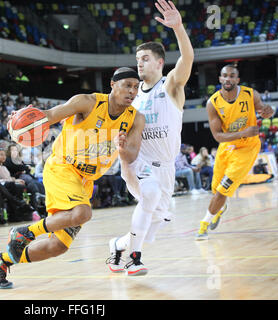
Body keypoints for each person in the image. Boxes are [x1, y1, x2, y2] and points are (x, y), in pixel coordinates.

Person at [0, 66, 144, 289]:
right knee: (83, 213)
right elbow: (49, 116)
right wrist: (26, 119)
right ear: (112, 85)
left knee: (57, 246)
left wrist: (122, 147)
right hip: (63, 167)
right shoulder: (87, 102)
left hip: (85, 181)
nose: (132, 91)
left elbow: (131, 154)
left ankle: (1, 260)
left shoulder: (136, 118)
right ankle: (24, 232)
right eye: (127, 85)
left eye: (136, 87)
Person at [106, 0, 194, 276]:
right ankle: (134, 257)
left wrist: (178, 28)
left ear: (159, 62)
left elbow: (188, 59)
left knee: (158, 222)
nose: (139, 64)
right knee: (151, 194)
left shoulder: (170, 86)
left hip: (166, 167)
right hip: (137, 163)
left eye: (144, 59)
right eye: (137, 60)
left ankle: (119, 246)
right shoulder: (132, 96)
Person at [195, 64, 274, 240]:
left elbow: (264, 110)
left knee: (223, 190)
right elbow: (217, 136)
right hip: (227, 146)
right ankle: (220, 208)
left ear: (237, 80)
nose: (228, 79)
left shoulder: (250, 94)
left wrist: (269, 112)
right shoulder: (212, 103)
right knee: (216, 190)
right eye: (225, 76)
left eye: (232, 76)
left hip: (247, 148)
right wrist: (243, 132)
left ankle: (203, 225)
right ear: (220, 79)